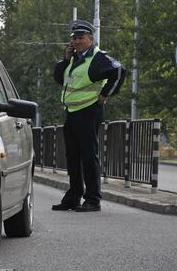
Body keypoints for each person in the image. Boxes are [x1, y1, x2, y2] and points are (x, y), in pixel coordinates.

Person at [52, 20, 126, 212]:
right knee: (72, 157)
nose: (77, 41)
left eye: (81, 38)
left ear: (90, 39)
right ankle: (73, 196)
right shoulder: (74, 59)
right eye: (74, 38)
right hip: (72, 112)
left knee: (88, 156)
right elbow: (59, 79)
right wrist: (65, 59)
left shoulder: (97, 57)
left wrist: (104, 95)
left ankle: (93, 199)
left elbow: (119, 71)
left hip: (89, 112)